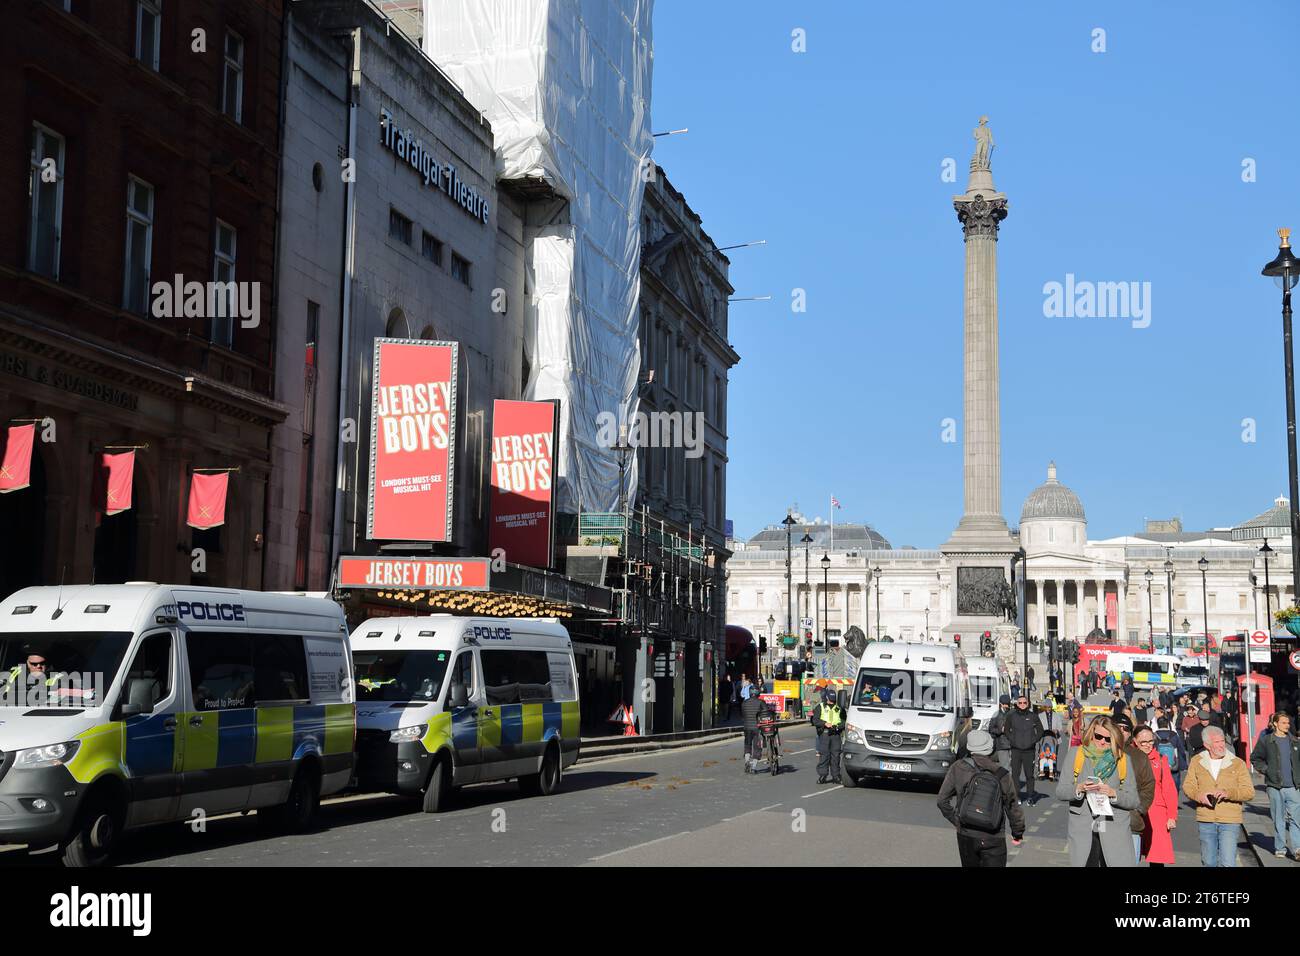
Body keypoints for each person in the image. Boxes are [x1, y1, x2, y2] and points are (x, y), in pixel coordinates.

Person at [1058, 715, 1141, 866]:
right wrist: (1079, 788)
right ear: (1091, 733)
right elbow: (1061, 791)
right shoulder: (1076, 755)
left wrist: (1113, 793)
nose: (1102, 741)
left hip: (1114, 829)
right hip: (1083, 830)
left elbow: (1134, 800)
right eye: (1098, 736)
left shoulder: (1122, 759)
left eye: (1108, 739)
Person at [936, 729, 1025, 867]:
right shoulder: (1002, 774)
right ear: (991, 747)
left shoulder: (958, 767)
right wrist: (1017, 832)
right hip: (993, 836)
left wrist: (957, 821)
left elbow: (942, 801)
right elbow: (1012, 806)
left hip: (966, 834)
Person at [1183, 725, 1254, 867]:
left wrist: (1228, 793)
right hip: (1206, 819)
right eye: (1217, 742)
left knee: (1228, 862)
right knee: (1209, 862)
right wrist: (1199, 796)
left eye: (1222, 741)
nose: (1221, 745)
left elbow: (1249, 792)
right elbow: (1188, 786)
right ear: (1207, 745)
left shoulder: (1237, 763)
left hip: (1230, 820)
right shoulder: (1197, 761)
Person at [1250, 711, 1300, 860]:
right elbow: (1255, 758)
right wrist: (1267, 771)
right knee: (1278, 818)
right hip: (1274, 786)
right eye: (1284, 723)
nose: (1287, 725)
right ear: (1276, 724)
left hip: (1293, 786)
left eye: (1288, 723)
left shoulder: (1295, 741)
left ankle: (1297, 848)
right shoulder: (1266, 740)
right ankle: (1280, 848)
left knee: (1296, 819)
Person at [1132, 725, 1178, 866]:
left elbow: (1169, 789)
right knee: (1130, 855)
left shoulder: (1160, 759)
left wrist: (1171, 816)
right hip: (1134, 810)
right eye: (1143, 742)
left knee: (1157, 857)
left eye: (1151, 741)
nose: (1147, 745)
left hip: (1157, 813)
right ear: (1134, 741)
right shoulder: (1128, 758)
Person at [1114, 714, 1156, 865]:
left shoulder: (1139, 757)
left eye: (1126, 729)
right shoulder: (1097, 752)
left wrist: (1139, 809)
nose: (1122, 731)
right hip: (1102, 824)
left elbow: (1148, 786)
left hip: (1131, 823)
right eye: (1118, 727)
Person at [1005, 694, 1044, 804]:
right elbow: (1006, 730)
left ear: (1028, 704)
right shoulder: (1011, 716)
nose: (1022, 705)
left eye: (1024, 703)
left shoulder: (1033, 716)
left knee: (1029, 775)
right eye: (1020, 703)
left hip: (1029, 751)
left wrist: (1033, 740)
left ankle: (1030, 797)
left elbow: (1040, 731)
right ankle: (1016, 796)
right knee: (1015, 775)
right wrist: (1012, 740)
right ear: (1017, 704)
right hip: (1016, 750)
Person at [810, 687, 844, 784]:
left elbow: (844, 721)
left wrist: (838, 726)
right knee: (824, 756)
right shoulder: (820, 707)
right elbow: (815, 720)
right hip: (824, 734)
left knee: (836, 756)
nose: (832, 702)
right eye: (830, 700)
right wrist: (824, 723)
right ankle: (823, 775)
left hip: (836, 734)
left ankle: (836, 776)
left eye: (833, 700)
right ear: (827, 698)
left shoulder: (839, 708)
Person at [740, 683, 772, 773]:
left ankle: (747, 761)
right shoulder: (761, 702)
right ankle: (753, 767)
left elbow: (742, 715)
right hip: (757, 728)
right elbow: (766, 714)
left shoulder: (744, 703)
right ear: (758, 693)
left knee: (747, 745)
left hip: (746, 727)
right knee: (757, 747)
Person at [988, 695, 1013, 771]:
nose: (1006, 706)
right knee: (1005, 767)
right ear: (1001, 704)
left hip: (1013, 743)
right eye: (1004, 704)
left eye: (1007, 704)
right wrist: (1000, 730)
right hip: (1002, 745)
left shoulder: (1013, 713)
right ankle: (1007, 782)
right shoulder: (996, 714)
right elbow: (991, 729)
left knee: (1014, 766)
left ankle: (1012, 781)